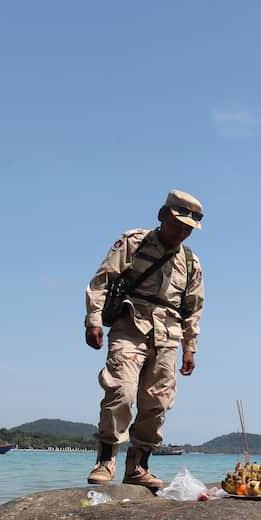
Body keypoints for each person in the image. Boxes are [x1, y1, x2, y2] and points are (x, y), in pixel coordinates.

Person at [84, 190, 206, 488]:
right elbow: (102, 280)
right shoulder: (134, 242)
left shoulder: (190, 262)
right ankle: (105, 461)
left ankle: (138, 467)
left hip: (168, 336)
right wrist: (93, 320)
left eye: (188, 229)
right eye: (178, 224)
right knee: (120, 392)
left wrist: (190, 348)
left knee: (157, 403)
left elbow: (193, 308)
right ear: (162, 216)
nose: (182, 232)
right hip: (130, 326)